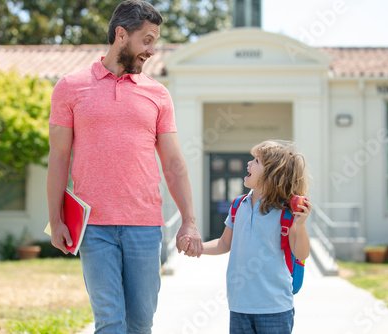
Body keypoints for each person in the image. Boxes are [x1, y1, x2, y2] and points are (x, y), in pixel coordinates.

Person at [46, 1, 203, 333]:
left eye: (154, 42)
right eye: (146, 40)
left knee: (141, 322)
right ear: (121, 34)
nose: (151, 50)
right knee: (110, 321)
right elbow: (59, 157)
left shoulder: (158, 95)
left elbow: (173, 163)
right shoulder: (70, 87)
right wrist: (55, 219)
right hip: (93, 227)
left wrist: (188, 221)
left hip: (145, 227)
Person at [180, 140, 311, 334]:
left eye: (256, 161)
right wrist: (196, 247)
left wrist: (300, 224)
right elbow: (224, 243)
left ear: (272, 173)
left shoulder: (285, 212)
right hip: (240, 306)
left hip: (275, 309)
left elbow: (301, 253)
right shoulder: (238, 205)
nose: (248, 164)